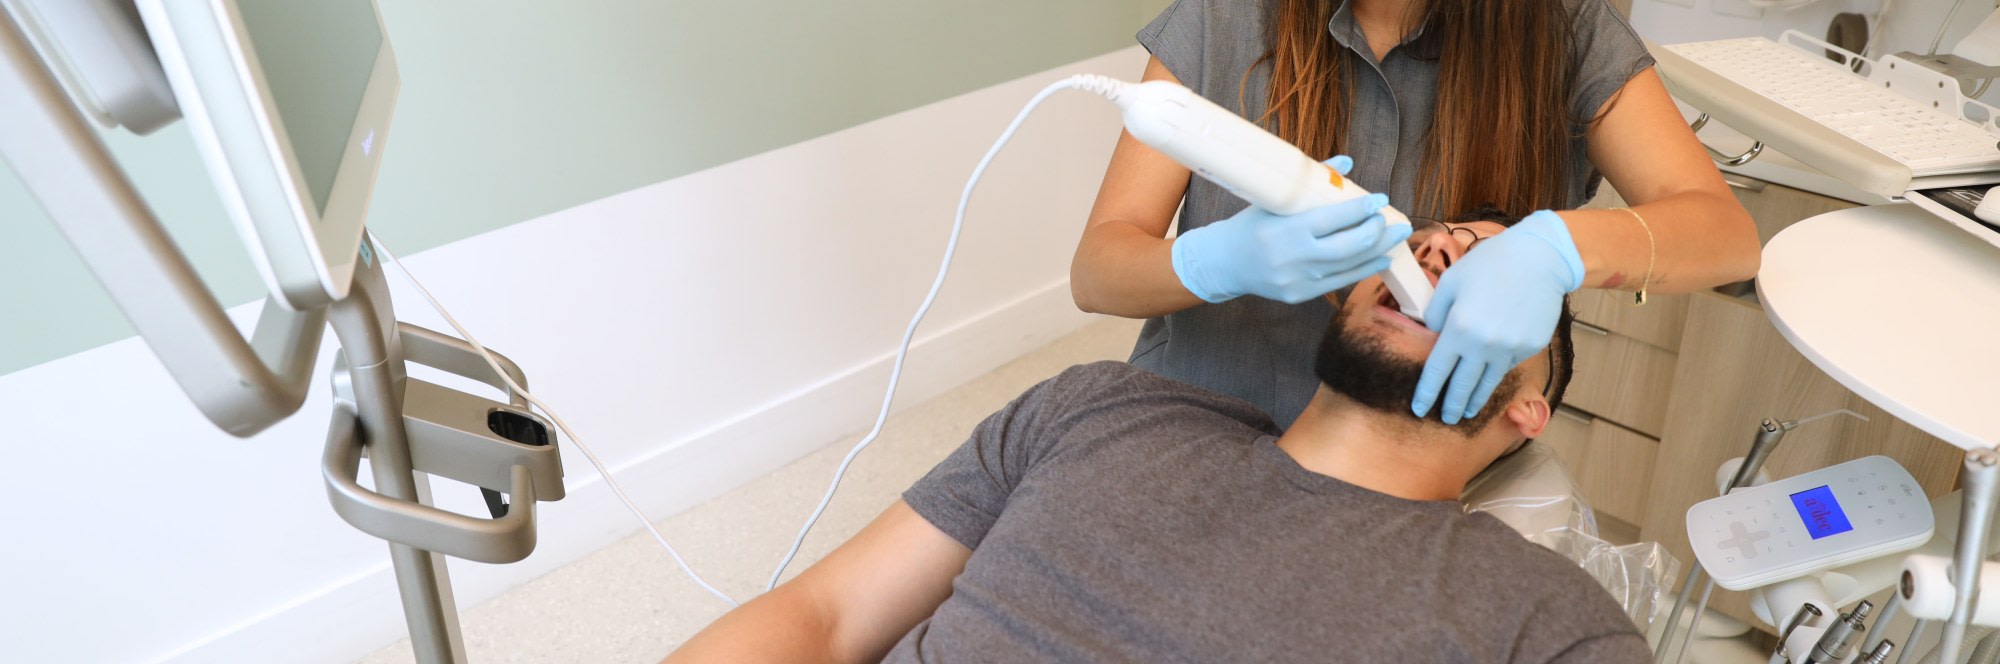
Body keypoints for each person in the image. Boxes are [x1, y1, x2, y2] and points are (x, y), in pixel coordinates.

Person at [665, 215, 1649, 663]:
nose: (1441, 251)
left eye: (1490, 279)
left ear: (1529, 407)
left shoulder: (1538, 614)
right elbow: (826, 617)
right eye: (1432, 240)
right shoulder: (1102, 410)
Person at [1070, 0, 1760, 428]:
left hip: (1399, 456)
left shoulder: (1567, 33)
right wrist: (1218, 261)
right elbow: (1098, 274)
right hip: (1193, 419)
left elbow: (1726, 236)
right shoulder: (1226, 17)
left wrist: (1553, 247)